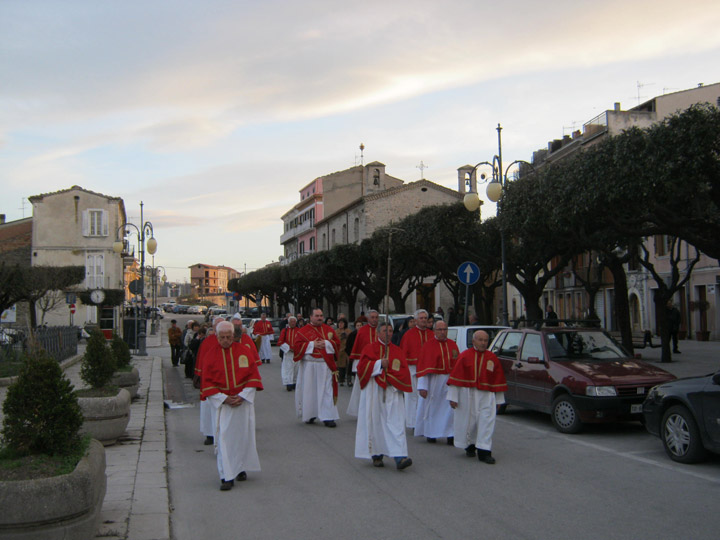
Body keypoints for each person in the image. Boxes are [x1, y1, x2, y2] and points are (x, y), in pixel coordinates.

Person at [201, 321, 263, 490]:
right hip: (224, 406)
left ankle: (240, 467)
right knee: (224, 440)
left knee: (243, 437)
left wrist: (242, 396)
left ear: (234, 336)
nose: (226, 340)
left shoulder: (244, 352)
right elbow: (207, 382)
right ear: (217, 337)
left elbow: (253, 377)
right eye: (222, 337)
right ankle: (226, 475)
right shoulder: (210, 355)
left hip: (242, 404)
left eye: (229, 337)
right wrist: (224, 398)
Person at [355, 322, 413, 470]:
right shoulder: (370, 349)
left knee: (396, 423)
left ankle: (400, 456)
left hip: (392, 392)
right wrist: (379, 364)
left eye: (390, 331)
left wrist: (393, 379)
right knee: (376, 423)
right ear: (378, 333)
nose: (388, 333)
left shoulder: (397, 350)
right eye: (384, 331)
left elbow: (403, 370)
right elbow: (361, 368)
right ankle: (377, 454)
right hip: (374, 390)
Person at [447, 330, 507, 464]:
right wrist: (453, 397)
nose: (483, 343)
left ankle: (484, 451)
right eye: (480, 340)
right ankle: (469, 445)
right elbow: (456, 378)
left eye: (485, 340)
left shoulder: (492, 358)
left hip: (486, 396)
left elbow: (498, 380)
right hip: (467, 395)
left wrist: (499, 400)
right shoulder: (464, 356)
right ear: (473, 341)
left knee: (486, 423)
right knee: (469, 423)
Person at [293, 308, 341, 427]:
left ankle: (328, 416)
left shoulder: (329, 330)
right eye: (317, 316)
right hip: (309, 365)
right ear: (311, 317)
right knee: (310, 391)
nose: (320, 318)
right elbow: (297, 346)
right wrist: (312, 344)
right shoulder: (303, 331)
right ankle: (310, 414)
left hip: (325, 365)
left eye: (321, 315)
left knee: (326, 391)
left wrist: (327, 343)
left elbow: (337, 343)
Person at [414, 320, 458, 444]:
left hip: (449, 381)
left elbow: (457, 364)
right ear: (434, 331)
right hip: (433, 381)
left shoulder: (452, 344)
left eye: (445, 329)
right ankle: (431, 433)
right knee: (433, 408)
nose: (443, 332)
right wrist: (422, 386)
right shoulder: (428, 346)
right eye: (440, 330)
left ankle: (450, 434)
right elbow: (423, 367)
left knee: (450, 409)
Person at [400, 309, 433, 429]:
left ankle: (424, 421)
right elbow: (403, 352)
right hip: (412, 369)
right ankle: (413, 422)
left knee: (425, 397)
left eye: (425, 318)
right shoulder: (408, 334)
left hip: (427, 371)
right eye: (421, 318)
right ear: (416, 320)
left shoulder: (431, 334)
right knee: (412, 397)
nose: (424, 320)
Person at [194, 317, 223, 445]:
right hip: (209, 381)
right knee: (208, 409)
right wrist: (200, 376)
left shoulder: (230, 342)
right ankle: (210, 434)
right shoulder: (207, 342)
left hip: (224, 382)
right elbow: (201, 360)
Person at [347, 309, 380, 417]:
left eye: (376, 317)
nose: (374, 319)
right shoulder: (362, 331)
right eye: (372, 317)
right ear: (368, 318)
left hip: (378, 364)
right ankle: (360, 410)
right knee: (361, 388)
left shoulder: (381, 330)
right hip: (365, 365)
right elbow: (357, 348)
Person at [278, 316, 300, 391]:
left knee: (297, 368)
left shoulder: (299, 330)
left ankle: (295, 382)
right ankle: (288, 383)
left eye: (294, 322)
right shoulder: (285, 330)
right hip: (288, 353)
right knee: (288, 368)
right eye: (291, 321)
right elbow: (280, 341)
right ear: (289, 322)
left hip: (297, 353)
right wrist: (288, 348)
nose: (293, 323)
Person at [344, 320, 365, 387]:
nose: (359, 327)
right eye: (357, 325)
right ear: (355, 327)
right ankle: (349, 380)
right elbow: (348, 345)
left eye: (360, 325)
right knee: (351, 368)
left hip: (362, 355)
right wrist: (351, 353)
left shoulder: (365, 334)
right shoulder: (352, 335)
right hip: (353, 354)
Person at [335, 318, 351, 385]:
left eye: (342, 323)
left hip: (347, 351)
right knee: (340, 367)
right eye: (339, 323)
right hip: (340, 351)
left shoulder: (348, 331)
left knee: (348, 366)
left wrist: (346, 336)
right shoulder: (336, 332)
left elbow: (351, 340)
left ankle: (349, 380)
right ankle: (341, 380)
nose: (340, 324)